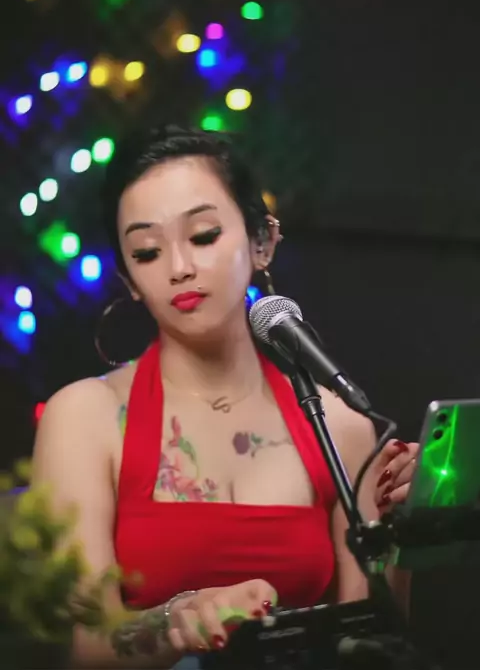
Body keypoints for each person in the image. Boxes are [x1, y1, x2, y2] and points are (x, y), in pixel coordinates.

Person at [32, 123, 418, 669]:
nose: (179, 268)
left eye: (204, 236)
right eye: (147, 252)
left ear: (262, 242)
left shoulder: (341, 424)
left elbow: (371, 645)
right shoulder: (84, 417)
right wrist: (179, 620)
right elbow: (86, 648)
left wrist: (400, 535)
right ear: (129, 280)